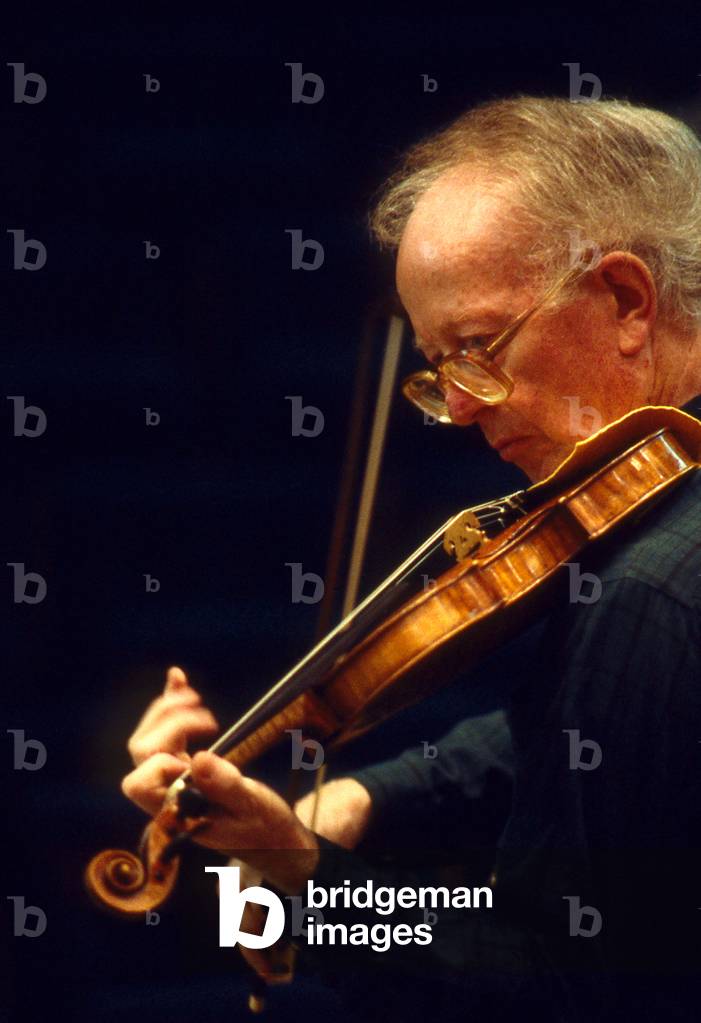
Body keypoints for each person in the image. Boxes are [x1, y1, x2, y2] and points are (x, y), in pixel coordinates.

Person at [121, 97, 701, 1020]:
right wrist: (365, 798)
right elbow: (582, 740)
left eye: (477, 347)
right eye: (440, 368)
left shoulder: (651, 595)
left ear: (626, 302)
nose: (463, 407)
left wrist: (306, 885)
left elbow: (564, 982)